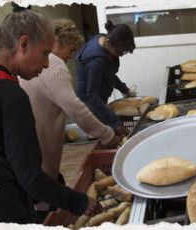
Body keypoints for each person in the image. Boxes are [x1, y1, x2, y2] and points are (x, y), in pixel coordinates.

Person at [0, 5, 101, 224]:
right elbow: (30, 178)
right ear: (23, 44)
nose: (48, 63)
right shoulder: (13, 97)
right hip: (8, 206)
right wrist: (81, 202)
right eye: (45, 53)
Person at [19, 19, 122, 213]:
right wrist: (107, 135)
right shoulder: (54, 66)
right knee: (44, 201)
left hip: (27, 149)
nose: (71, 56)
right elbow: (76, 109)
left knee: (41, 192)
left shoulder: (34, 61)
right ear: (57, 42)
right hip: (39, 148)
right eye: (71, 49)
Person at [76, 20, 136, 136]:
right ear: (108, 43)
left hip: (96, 99)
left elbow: (109, 73)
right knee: (104, 135)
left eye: (124, 52)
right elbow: (92, 95)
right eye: (119, 52)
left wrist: (123, 88)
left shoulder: (104, 39)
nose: (121, 55)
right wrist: (114, 121)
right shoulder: (96, 62)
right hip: (89, 105)